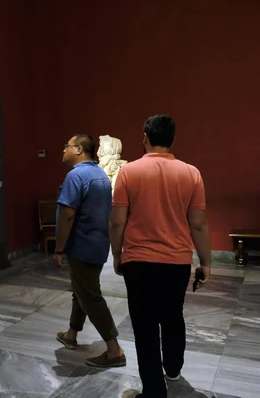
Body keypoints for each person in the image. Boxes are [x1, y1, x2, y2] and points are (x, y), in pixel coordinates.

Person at [109, 114, 211, 398]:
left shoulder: (128, 172)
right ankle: (174, 368)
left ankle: (154, 390)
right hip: (177, 262)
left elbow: (117, 221)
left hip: (138, 261)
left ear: (144, 137)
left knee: (144, 326)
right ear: (173, 139)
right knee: (172, 316)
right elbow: (198, 223)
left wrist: (117, 254)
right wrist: (206, 261)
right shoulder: (192, 173)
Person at [54, 134, 125, 368]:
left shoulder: (76, 176)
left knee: (90, 297)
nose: (63, 149)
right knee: (81, 290)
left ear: (78, 149)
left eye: (66, 145)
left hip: (81, 245)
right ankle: (72, 334)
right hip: (97, 244)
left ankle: (114, 350)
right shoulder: (100, 175)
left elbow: (67, 215)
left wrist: (59, 248)